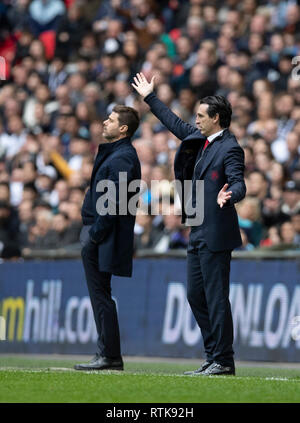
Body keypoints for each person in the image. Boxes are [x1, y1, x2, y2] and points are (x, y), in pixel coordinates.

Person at [132, 73, 246, 376]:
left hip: (216, 232)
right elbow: (174, 123)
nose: (195, 120)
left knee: (215, 296)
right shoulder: (200, 139)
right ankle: (213, 356)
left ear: (216, 118)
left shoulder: (230, 148)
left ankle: (224, 359)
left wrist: (230, 194)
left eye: (200, 116)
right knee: (195, 295)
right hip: (196, 229)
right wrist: (150, 97)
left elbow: (239, 183)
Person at [74, 105, 141, 371]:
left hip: (103, 235)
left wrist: (95, 235)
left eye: (111, 120)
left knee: (101, 294)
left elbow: (115, 202)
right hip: (99, 232)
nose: (105, 122)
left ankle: (110, 355)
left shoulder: (123, 157)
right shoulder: (117, 154)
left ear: (123, 129)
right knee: (101, 294)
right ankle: (107, 352)